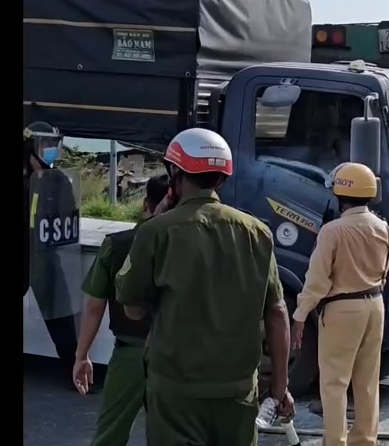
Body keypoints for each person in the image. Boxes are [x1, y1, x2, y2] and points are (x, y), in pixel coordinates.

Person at [116, 128, 296, 446]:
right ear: (221, 178)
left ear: (175, 174)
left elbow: (132, 308)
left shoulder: (156, 232)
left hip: (176, 392)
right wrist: (280, 387)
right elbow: (277, 312)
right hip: (238, 391)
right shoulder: (257, 232)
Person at [290, 162, 389, 446]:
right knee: (367, 381)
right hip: (374, 304)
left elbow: (317, 280)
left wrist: (300, 314)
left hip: (342, 309)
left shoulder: (333, 231)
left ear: (340, 194)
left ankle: (335, 441)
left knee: (334, 383)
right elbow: (386, 269)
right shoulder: (382, 227)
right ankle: (365, 440)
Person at [72, 175, 170, 446]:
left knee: (110, 435)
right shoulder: (193, 244)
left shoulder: (117, 244)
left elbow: (94, 306)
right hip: (178, 356)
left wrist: (82, 356)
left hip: (130, 354)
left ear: (144, 204)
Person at [23, 121, 80, 389]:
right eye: (45, 145)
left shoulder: (58, 180)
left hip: (46, 257)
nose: (50, 151)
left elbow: (68, 213)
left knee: (60, 315)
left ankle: (75, 370)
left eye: (53, 145)